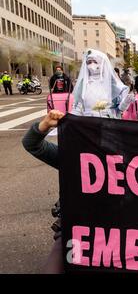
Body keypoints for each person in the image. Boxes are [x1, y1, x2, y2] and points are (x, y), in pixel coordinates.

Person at [22, 110, 65, 273]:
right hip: (74, 232)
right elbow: (32, 144)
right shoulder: (72, 156)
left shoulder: (132, 164)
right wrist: (44, 125)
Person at [71, 49, 135, 118]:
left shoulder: (111, 83)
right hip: (87, 123)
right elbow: (77, 108)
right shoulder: (83, 84)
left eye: (95, 62)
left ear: (102, 63)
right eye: (89, 62)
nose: (92, 65)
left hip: (106, 123)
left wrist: (125, 102)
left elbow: (119, 109)